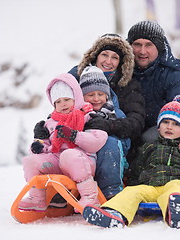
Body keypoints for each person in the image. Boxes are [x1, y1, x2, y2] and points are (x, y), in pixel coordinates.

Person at [82, 95, 180, 229]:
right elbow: (135, 171)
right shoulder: (148, 147)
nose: (169, 127)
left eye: (175, 124)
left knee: (179, 190)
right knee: (132, 191)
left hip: (178, 182)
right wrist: (131, 181)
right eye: (166, 122)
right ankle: (114, 213)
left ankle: (175, 210)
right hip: (150, 186)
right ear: (158, 127)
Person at [66, 33, 146, 199]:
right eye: (104, 54)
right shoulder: (76, 78)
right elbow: (61, 106)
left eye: (114, 57)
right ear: (95, 56)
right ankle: (62, 190)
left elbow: (136, 121)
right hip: (79, 133)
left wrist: (110, 126)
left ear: (121, 62)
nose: (108, 61)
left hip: (114, 139)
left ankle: (111, 193)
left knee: (108, 144)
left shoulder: (128, 85)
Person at [18, 73, 108, 212]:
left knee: (69, 155)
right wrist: (38, 147)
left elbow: (97, 141)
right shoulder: (50, 122)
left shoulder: (88, 117)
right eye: (58, 101)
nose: (63, 104)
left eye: (66, 99)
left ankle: (90, 197)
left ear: (75, 98)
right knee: (30, 161)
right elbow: (47, 146)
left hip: (81, 160)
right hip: (56, 160)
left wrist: (74, 135)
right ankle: (37, 199)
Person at [126, 20, 180, 153]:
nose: (142, 51)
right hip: (127, 126)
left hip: (157, 129)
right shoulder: (120, 66)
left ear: (158, 48)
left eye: (148, 45)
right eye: (137, 44)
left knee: (151, 137)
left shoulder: (173, 74)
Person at [79, 65, 131, 195]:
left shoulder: (115, 113)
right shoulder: (77, 113)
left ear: (106, 95)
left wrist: (108, 128)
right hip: (85, 159)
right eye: (91, 94)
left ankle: (110, 191)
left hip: (113, 159)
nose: (96, 99)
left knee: (109, 143)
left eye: (101, 94)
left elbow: (126, 142)